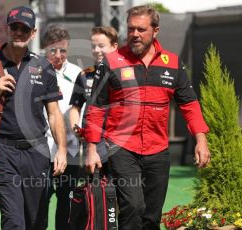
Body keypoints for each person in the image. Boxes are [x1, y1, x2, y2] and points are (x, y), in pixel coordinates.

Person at [84, 5, 211, 230]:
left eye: (141, 29)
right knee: (133, 206)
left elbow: (189, 104)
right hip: (121, 147)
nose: (135, 34)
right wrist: (92, 148)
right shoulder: (111, 62)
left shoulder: (172, 63)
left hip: (158, 150)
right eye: (131, 29)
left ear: (156, 30)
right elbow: (96, 107)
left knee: (152, 216)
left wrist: (201, 139)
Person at [0, 6, 67, 230]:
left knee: (36, 221)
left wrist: (61, 149)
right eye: (15, 27)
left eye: (25, 28)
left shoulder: (44, 66)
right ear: (7, 29)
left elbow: (54, 112)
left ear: (33, 32)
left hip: (37, 152)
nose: (19, 32)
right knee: (13, 222)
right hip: (3, 152)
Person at [41, 25, 82, 230]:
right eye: (53, 50)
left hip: (71, 149)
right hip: (41, 149)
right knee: (41, 200)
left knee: (68, 201)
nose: (59, 55)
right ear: (44, 48)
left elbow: (81, 108)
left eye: (63, 50)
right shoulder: (34, 72)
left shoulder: (77, 73)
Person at [69, 26, 118, 171]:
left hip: (121, 143)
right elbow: (75, 107)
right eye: (93, 46)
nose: (96, 50)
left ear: (114, 46)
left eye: (101, 46)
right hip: (93, 146)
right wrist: (75, 128)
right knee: (96, 190)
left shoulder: (127, 73)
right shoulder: (85, 75)